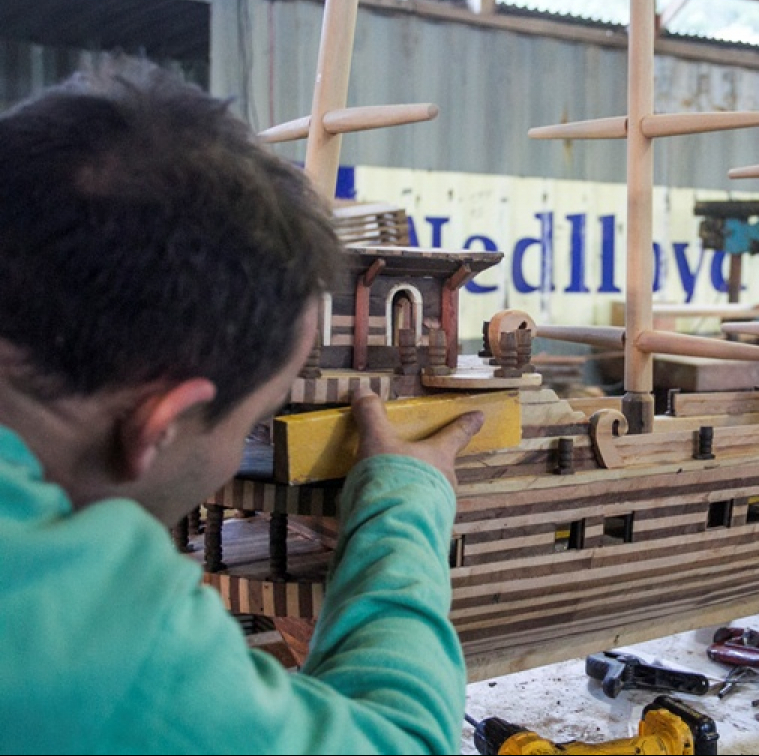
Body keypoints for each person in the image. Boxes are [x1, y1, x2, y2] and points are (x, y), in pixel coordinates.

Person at [0, 60, 482, 754]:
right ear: (157, 426)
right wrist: (405, 508)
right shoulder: (78, 623)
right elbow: (400, 742)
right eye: (253, 422)